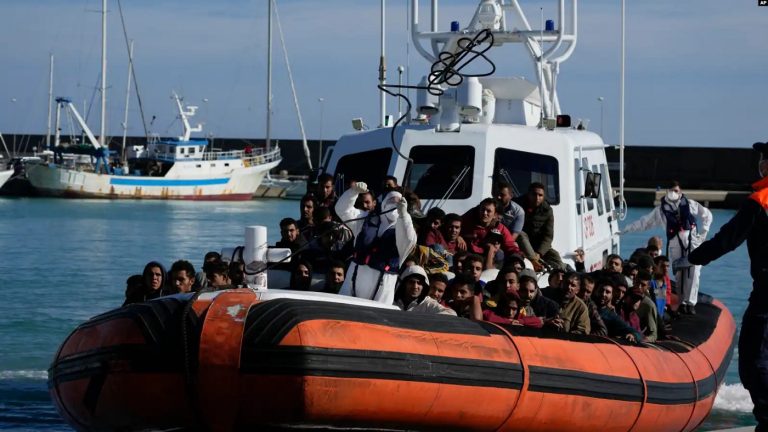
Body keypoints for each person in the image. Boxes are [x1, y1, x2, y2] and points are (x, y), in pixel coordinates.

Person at [685, 141, 768, 429]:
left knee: (753, 360)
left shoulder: (760, 201)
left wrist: (692, 258)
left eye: (764, 158)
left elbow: (727, 239)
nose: (760, 163)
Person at [622, 180, 713, 314]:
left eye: (676, 191)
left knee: (693, 273)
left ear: (680, 192)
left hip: (692, 242)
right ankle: (682, 302)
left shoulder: (690, 204)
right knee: (679, 273)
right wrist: (627, 229)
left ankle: (690, 303)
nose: (673, 193)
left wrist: (703, 233)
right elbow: (644, 222)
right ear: (666, 192)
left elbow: (707, 215)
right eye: (671, 191)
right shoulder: (661, 211)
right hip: (675, 243)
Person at [335, 181, 417, 304]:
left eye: (397, 202)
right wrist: (353, 192)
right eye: (390, 200)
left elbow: (409, 239)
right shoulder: (365, 219)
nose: (394, 204)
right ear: (383, 203)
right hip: (353, 280)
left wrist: (404, 216)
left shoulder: (404, 229)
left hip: (382, 289)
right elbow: (342, 210)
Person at [514, 182, 564, 270]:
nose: (537, 198)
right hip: (520, 243)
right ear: (529, 194)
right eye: (534, 194)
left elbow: (548, 236)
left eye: (540, 195)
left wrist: (539, 253)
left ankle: (563, 270)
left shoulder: (547, 210)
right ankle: (534, 263)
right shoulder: (517, 205)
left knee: (556, 258)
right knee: (521, 234)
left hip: (538, 246)